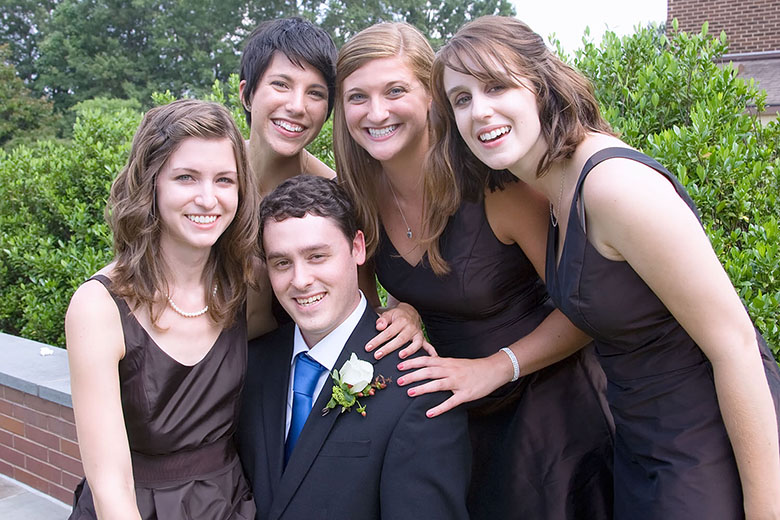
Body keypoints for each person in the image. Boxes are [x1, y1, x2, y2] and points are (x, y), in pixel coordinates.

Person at [404, 15, 780, 518]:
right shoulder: (554, 193)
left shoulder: (613, 186)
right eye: (462, 99)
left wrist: (764, 509)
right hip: (638, 442)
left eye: (496, 86)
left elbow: (736, 347)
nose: (481, 111)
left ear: (540, 83)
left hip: (703, 445)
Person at [334, 22, 614, 519]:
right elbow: (372, 307)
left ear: (431, 96)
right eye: (358, 97)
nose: (376, 112)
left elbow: (585, 311)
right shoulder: (357, 199)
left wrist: (493, 368)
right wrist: (403, 310)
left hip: (550, 410)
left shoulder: (495, 185)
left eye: (395, 90)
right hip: (452, 417)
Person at [235, 174, 471, 520]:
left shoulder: (420, 389)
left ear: (357, 248)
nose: (300, 280)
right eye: (282, 262)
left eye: (317, 256)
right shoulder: (253, 364)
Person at [65, 100, 258, 519]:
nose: (208, 199)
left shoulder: (245, 284)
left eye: (225, 179)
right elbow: (110, 484)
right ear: (151, 183)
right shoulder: (99, 307)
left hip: (228, 503)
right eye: (186, 177)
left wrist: (404, 307)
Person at [239, 17, 424, 355]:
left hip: (288, 380)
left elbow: (362, 309)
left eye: (315, 93)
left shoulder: (339, 197)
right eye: (281, 84)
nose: (296, 106)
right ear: (246, 93)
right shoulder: (208, 178)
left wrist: (405, 312)